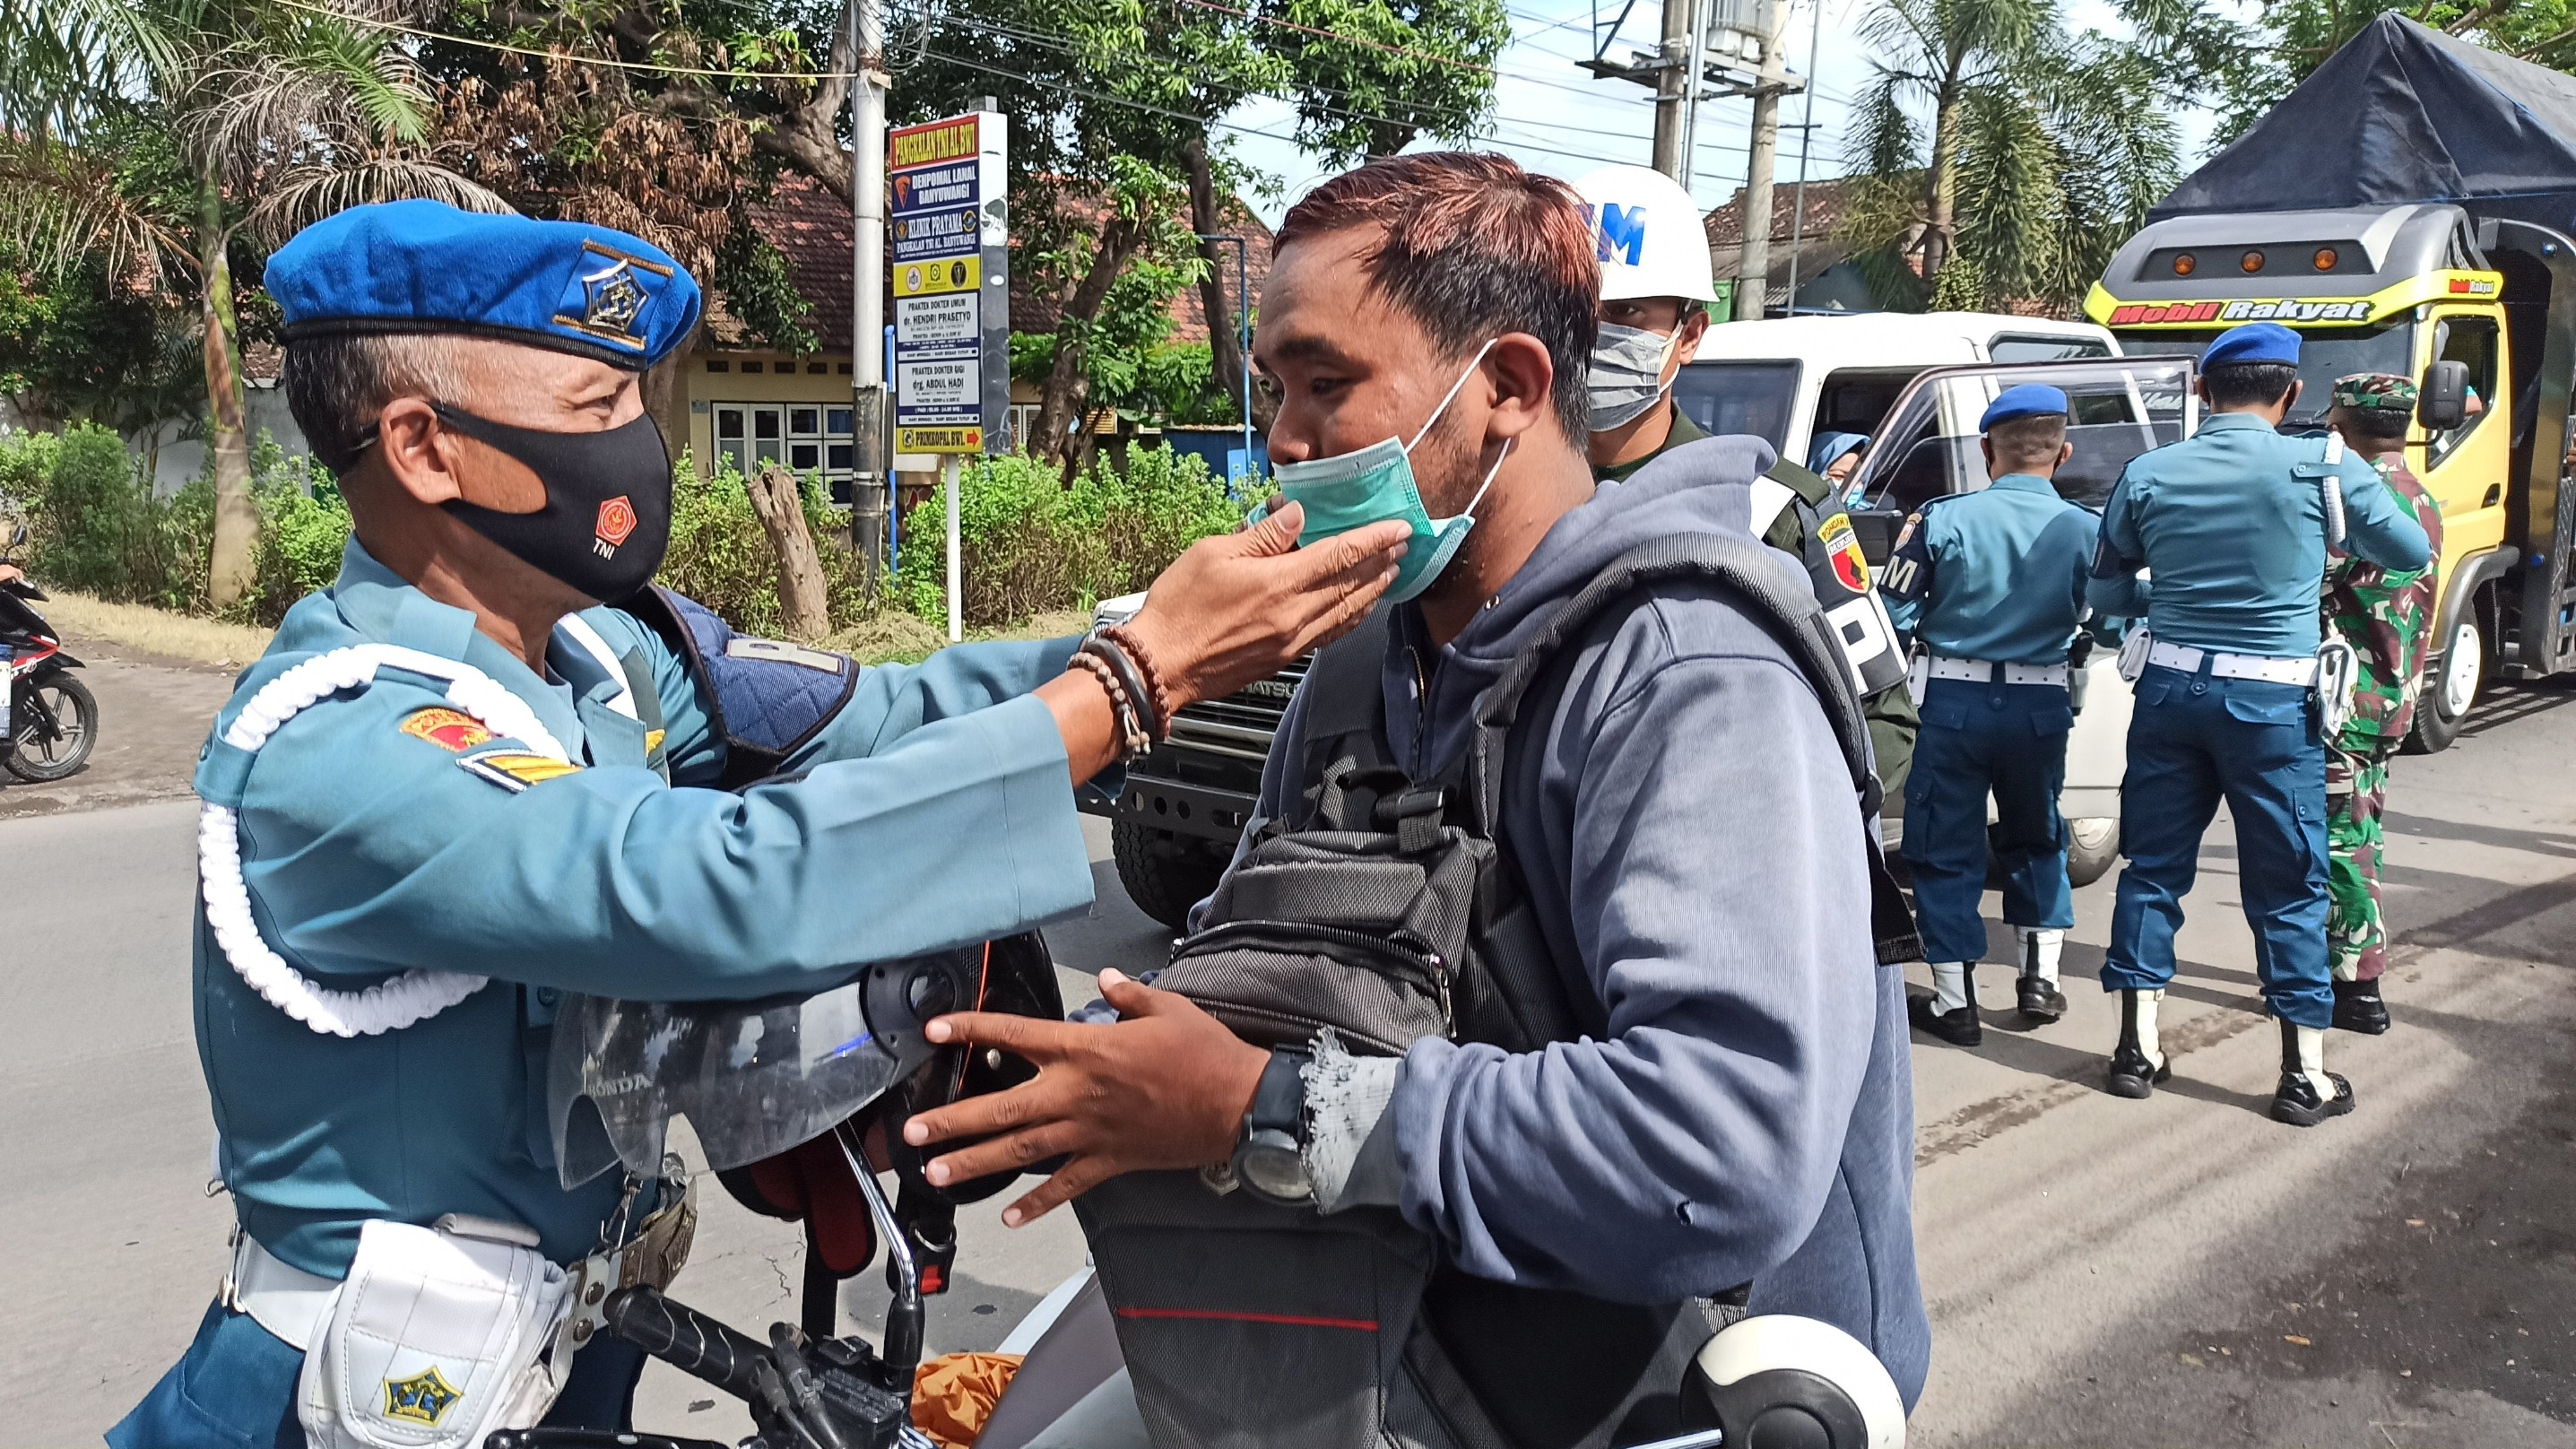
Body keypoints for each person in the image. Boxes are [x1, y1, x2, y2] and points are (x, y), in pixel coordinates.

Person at [111, 201, 1406, 1449]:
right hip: (345, 1403)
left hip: (556, 1357)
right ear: (425, 448)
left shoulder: (598, 655)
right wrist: (1130, 688)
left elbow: (880, 717)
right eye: (594, 410)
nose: (636, 445)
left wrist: (1154, 646)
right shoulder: (347, 737)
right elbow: (713, 888)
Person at [903, 152, 1929, 1439]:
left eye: (1327, 386)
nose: (1282, 439)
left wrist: (1259, 1107)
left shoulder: (1685, 672)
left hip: (1658, 1390)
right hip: (1376, 1327)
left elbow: (1723, 1147)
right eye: (1275, 387)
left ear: (1504, 388)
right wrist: (1098, 1070)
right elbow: (1271, 966)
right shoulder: (1355, 667)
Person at [2086, 322, 2429, 1126]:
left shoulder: (2148, 470)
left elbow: (2103, 601)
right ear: (2291, 394)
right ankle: (2301, 1075)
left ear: (2202, 394)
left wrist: (2165, 604)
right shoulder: (2324, 464)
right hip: (2272, 706)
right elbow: (2409, 550)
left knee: (2150, 869)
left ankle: (2136, 1051)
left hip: (2168, 694)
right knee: (2286, 884)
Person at [1573, 163, 1918, 797]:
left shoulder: (1776, 509)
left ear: (1690, 334)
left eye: (1626, 314)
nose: (1595, 337)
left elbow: (1883, 726)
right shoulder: (1496, 502)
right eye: (1572, 311)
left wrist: (1755, 815)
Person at [1881, 385, 2116, 1045]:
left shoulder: (1940, 519)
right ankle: (2038, 979)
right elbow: (2113, 616)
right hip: (2039, 706)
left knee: (1944, 849)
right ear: (2062, 453)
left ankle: (1954, 1002)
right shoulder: (2084, 530)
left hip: (1951, 705)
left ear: (1987, 450)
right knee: (2037, 837)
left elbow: (1892, 615)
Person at [2320, 372, 2443, 1035]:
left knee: (2340, 841)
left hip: (2345, 702)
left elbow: (2312, 579)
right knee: (2361, 829)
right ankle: (2347, 965)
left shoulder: (2354, 500)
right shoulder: (2421, 495)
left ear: (2342, 421)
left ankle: (2357, 987)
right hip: (2391, 697)